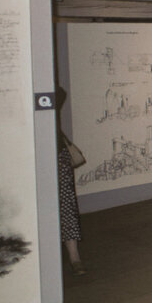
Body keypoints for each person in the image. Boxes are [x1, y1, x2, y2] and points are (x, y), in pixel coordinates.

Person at [55, 87, 85, 275]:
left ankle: (74, 257)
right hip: (29, 156)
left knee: (66, 205)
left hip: (57, 153)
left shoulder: (52, 92)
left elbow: (59, 94)